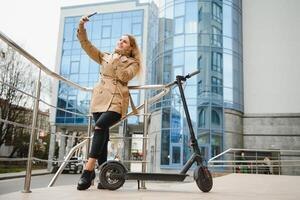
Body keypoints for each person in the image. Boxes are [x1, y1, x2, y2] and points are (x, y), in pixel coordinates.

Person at [76, 15, 141, 190]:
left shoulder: (133, 63)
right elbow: (86, 45)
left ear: (130, 47)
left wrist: (117, 59)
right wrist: (82, 26)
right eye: (120, 40)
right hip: (99, 99)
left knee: (99, 127)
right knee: (103, 138)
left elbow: (124, 76)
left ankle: (87, 172)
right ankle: (104, 179)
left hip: (117, 101)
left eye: (125, 42)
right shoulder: (104, 56)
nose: (120, 42)